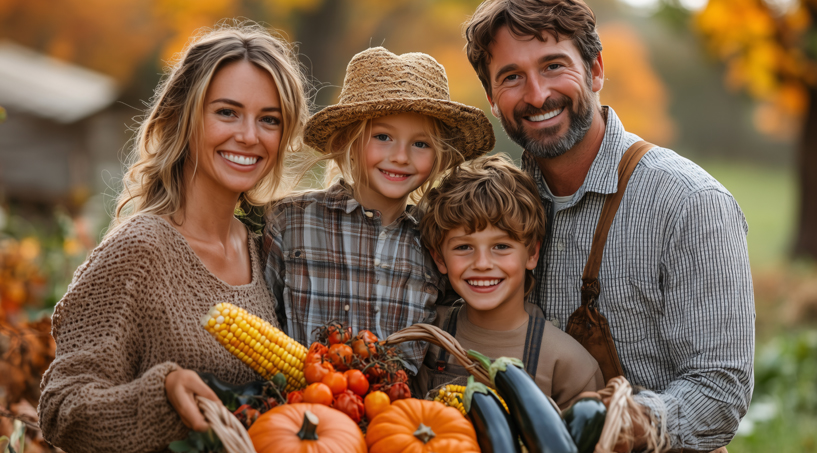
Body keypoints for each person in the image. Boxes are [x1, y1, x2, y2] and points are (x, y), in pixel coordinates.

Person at [463, 1, 754, 451]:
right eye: (511, 76)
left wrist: (613, 426)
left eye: (553, 66)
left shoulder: (690, 204)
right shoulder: (497, 209)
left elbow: (720, 389)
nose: (537, 95)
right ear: (491, 97)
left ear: (595, 70)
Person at [38, 23, 310, 452]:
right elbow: (61, 408)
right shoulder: (141, 249)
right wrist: (162, 394)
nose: (249, 136)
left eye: (269, 120)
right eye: (226, 112)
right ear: (183, 116)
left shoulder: (262, 244)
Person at [263, 46, 495, 372]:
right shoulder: (291, 221)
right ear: (348, 140)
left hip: (397, 414)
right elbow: (259, 314)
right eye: (383, 136)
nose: (401, 156)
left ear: (438, 155)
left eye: (420, 143)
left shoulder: (435, 237)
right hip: (306, 408)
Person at [413, 154, 604, 409]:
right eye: (463, 247)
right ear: (440, 258)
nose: (482, 263)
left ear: (532, 253)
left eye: (501, 246)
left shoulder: (568, 364)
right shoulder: (427, 335)